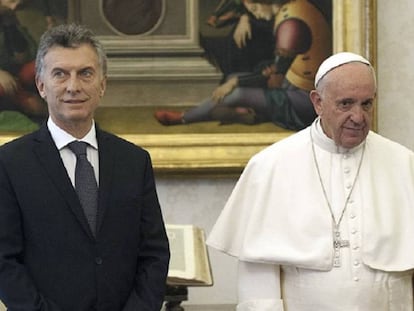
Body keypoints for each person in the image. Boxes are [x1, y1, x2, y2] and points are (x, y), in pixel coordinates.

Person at [206, 52, 414, 310]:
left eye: (366, 104)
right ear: (318, 102)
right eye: (345, 104)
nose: (358, 117)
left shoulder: (403, 163)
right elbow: (258, 272)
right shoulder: (271, 165)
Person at [0, 23, 170, 311]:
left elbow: (154, 253)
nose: (73, 86)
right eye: (60, 74)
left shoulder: (134, 160)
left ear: (102, 85)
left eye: (85, 73)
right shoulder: (10, 163)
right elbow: (4, 261)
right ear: (41, 85)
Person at [155, 0, 331, 131]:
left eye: (253, 8)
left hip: (305, 100)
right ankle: (250, 113)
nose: (254, 14)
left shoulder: (290, 25)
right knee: (232, 81)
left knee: (236, 91)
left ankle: (183, 118)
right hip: (292, 84)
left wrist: (236, 83)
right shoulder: (291, 10)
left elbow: (276, 71)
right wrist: (245, 17)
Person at [0, 0, 47, 119]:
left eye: (19, 4)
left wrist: (10, 27)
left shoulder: (8, 18)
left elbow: (22, 57)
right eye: (11, 1)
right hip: (6, 82)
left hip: (14, 75)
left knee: (44, 67)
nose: (15, 7)